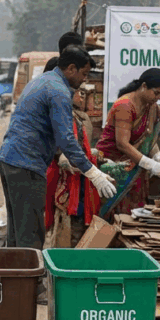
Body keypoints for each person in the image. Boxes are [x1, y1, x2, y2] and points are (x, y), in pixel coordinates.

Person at [0, 44, 116, 252]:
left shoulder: (43, 81)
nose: (84, 80)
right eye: (84, 74)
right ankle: (31, 282)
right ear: (71, 69)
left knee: (17, 231)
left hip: (10, 159)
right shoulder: (59, 91)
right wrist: (94, 174)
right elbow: (66, 140)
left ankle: (15, 280)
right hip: (27, 163)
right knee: (31, 234)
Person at [96, 68, 160, 215]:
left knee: (134, 210)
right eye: (156, 92)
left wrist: (158, 156)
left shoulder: (150, 106)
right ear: (144, 86)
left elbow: (148, 136)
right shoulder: (125, 105)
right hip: (113, 165)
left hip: (134, 164)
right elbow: (122, 144)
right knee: (114, 212)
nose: (158, 97)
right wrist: (150, 164)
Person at [45, 85, 99, 248]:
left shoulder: (83, 118)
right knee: (65, 219)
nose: (82, 97)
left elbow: (84, 145)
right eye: (79, 93)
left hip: (81, 173)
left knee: (80, 217)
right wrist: (61, 155)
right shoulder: (62, 114)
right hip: (64, 175)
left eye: (85, 94)